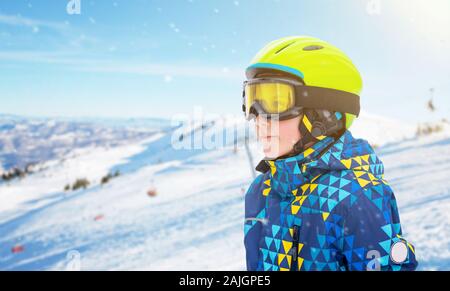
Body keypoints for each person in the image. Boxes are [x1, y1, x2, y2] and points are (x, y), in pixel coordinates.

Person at [242, 36, 418, 271]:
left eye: (276, 101)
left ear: (324, 114)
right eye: (252, 99)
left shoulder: (354, 197)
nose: (259, 118)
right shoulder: (261, 190)